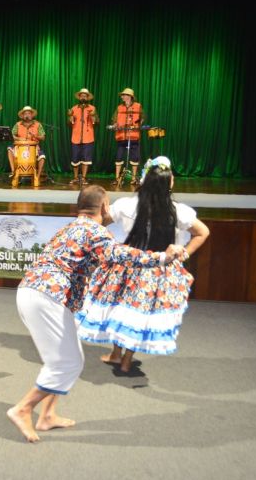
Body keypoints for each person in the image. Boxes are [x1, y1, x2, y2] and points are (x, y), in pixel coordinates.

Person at [7, 184, 188, 442]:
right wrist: (162, 257)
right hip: (47, 298)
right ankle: (23, 408)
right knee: (68, 362)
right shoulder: (94, 231)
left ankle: (47, 415)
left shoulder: (70, 227)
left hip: (33, 294)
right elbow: (120, 255)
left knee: (62, 360)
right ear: (104, 207)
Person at [76, 156, 210, 374]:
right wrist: (183, 254)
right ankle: (125, 358)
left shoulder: (126, 206)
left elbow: (99, 222)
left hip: (129, 265)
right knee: (139, 314)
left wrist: (104, 244)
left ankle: (116, 354)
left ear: (143, 181)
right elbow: (203, 232)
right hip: (160, 270)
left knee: (122, 309)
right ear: (170, 183)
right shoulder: (180, 211)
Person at [110, 87, 144, 187]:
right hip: (121, 136)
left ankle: (133, 178)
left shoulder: (138, 106)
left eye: (124, 95)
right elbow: (114, 119)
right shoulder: (119, 107)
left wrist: (137, 124)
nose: (122, 97)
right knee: (119, 157)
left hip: (133, 136)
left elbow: (142, 118)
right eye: (122, 95)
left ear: (130, 97)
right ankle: (117, 178)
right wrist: (115, 124)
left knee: (135, 157)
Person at [67, 88, 98, 184]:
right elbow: (69, 124)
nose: (83, 97)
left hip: (88, 137)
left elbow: (97, 122)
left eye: (85, 96)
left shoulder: (92, 108)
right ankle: (76, 177)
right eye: (82, 95)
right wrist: (70, 117)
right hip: (76, 137)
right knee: (75, 158)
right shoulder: (74, 108)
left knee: (86, 158)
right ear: (79, 97)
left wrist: (93, 116)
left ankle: (84, 178)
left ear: (88, 97)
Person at [7, 106, 46, 182]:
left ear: (32, 115)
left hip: (34, 147)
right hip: (19, 147)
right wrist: (19, 139)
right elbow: (11, 135)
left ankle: (37, 177)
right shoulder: (18, 124)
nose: (27, 115)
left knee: (42, 157)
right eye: (25, 113)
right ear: (22, 116)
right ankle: (13, 171)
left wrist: (35, 136)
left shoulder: (38, 124)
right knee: (9, 149)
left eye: (29, 113)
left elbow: (43, 137)